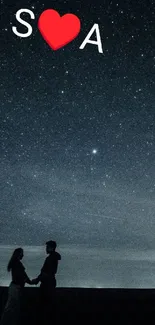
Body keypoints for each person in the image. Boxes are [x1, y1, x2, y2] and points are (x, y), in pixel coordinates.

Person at [0, 247, 32, 325]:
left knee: (11, 307)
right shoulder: (17, 264)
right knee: (11, 307)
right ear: (19, 254)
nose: (23, 255)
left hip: (14, 287)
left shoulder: (15, 263)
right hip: (16, 288)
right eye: (22, 253)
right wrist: (31, 282)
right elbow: (23, 276)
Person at [32, 240, 61, 322]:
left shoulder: (50, 259)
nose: (46, 249)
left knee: (44, 304)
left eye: (47, 247)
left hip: (47, 284)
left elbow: (46, 272)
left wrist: (37, 279)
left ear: (51, 248)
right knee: (49, 304)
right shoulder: (54, 258)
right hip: (50, 282)